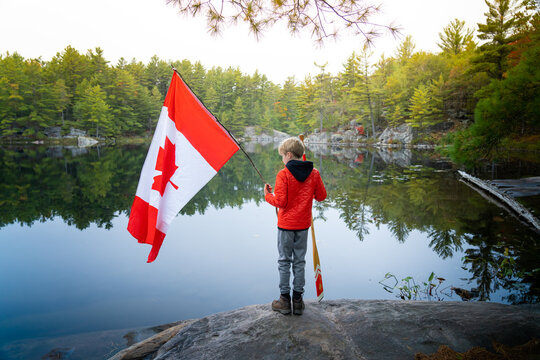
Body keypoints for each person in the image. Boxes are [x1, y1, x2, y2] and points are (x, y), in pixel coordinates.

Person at [264, 137, 327, 315]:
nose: (282, 159)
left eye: (282, 156)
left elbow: (281, 202)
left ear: (289, 155)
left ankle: (284, 300)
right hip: (303, 226)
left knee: (284, 260)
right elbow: (321, 196)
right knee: (299, 261)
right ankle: (298, 301)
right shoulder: (313, 173)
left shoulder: (283, 174)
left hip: (286, 226)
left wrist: (267, 195)